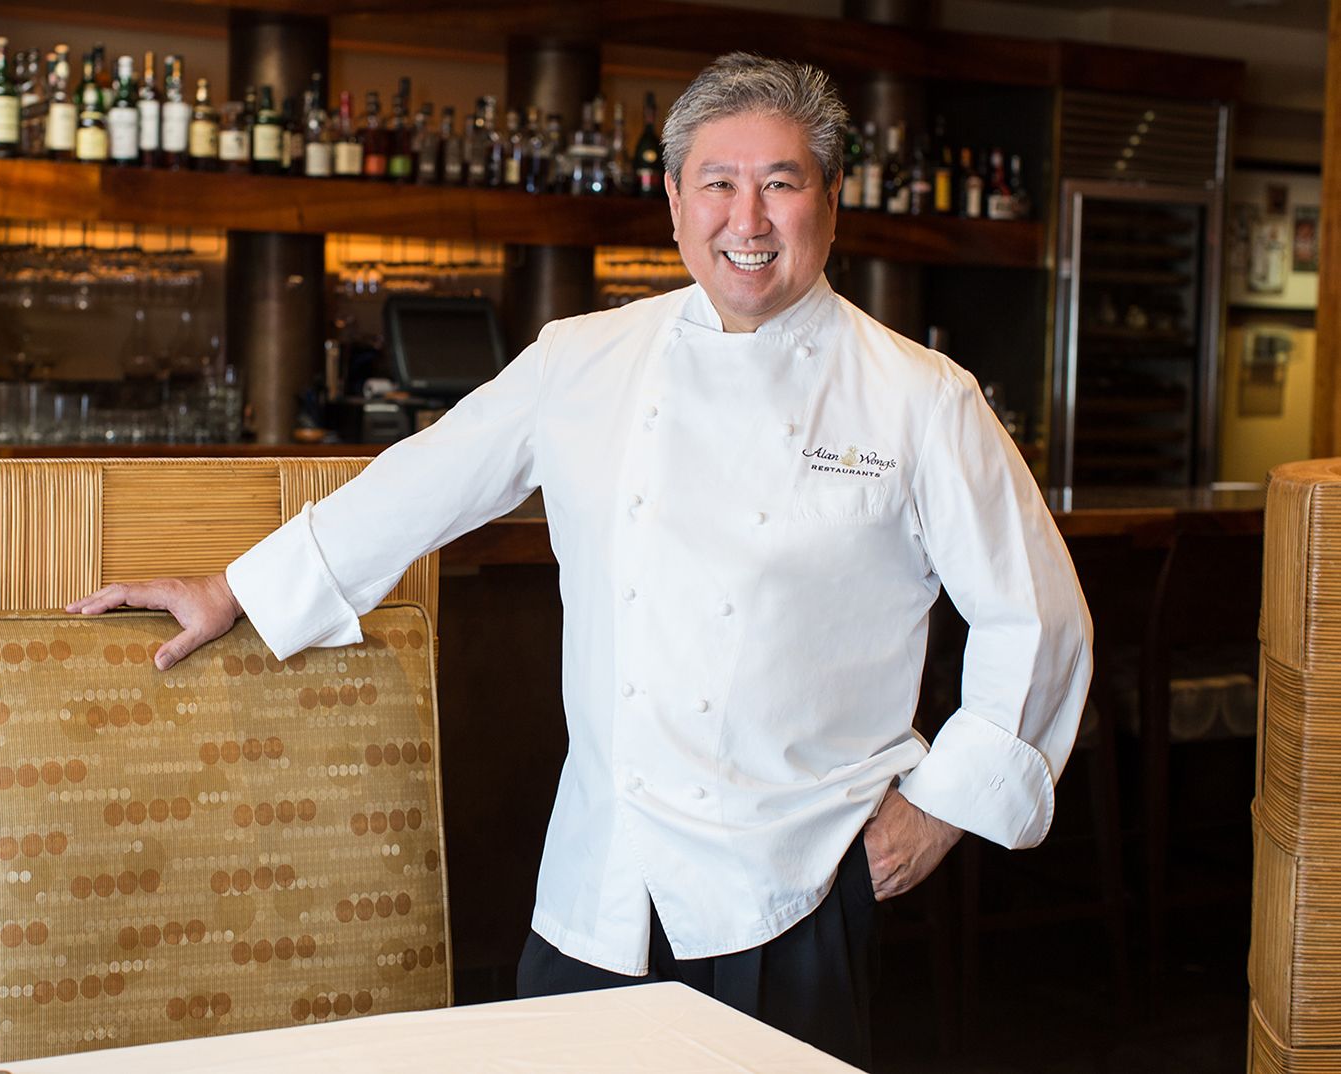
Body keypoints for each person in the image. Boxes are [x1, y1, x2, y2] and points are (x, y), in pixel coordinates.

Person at [69, 52, 1092, 1067]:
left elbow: (1038, 619)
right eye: (718, 184)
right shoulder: (582, 357)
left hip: (797, 879)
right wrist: (235, 591)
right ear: (672, 200)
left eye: (780, 184)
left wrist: (938, 810)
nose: (747, 219)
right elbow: (419, 484)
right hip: (603, 875)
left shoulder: (920, 397)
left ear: (830, 200)